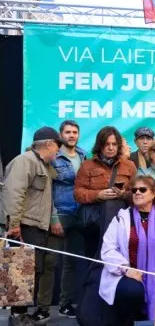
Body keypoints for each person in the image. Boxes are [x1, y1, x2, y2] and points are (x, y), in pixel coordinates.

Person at [2, 127, 62, 324]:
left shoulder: (44, 165)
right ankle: (17, 316)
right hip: (24, 226)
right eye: (57, 146)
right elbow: (13, 193)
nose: (58, 151)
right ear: (48, 144)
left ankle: (21, 315)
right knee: (20, 272)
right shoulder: (24, 161)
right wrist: (14, 224)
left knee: (31, 272)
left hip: (37, 226)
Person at [99, 176, 155, 324]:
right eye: (134, 190)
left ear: (154, 194)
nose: (137, 193)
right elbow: (108, 249)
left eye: (142, 189)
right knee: (133, 291)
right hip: (125, 275)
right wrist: (125, 269)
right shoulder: (121, 218)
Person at [75, 126, 137, 258]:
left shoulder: (129, 165)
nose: (111, 148)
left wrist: (123, 194)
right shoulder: (87, 165)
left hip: (120, 218)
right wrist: (98, 195)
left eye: (114, 144)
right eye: (107, 144)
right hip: (94, 220)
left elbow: (137, 194)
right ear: (100, 145)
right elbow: (78, 193)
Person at [52, 120, 87, 318]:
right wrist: (53, 216)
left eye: (74, 132)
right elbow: (48, 189)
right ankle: (39, 307)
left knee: (70, 262)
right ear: (61, 134)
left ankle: (65, 304)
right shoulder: (54, 157)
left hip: (79, 213)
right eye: (67, 132)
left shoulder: (83, 155)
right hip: (61, 212)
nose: (71, 135)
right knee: (49, 261)